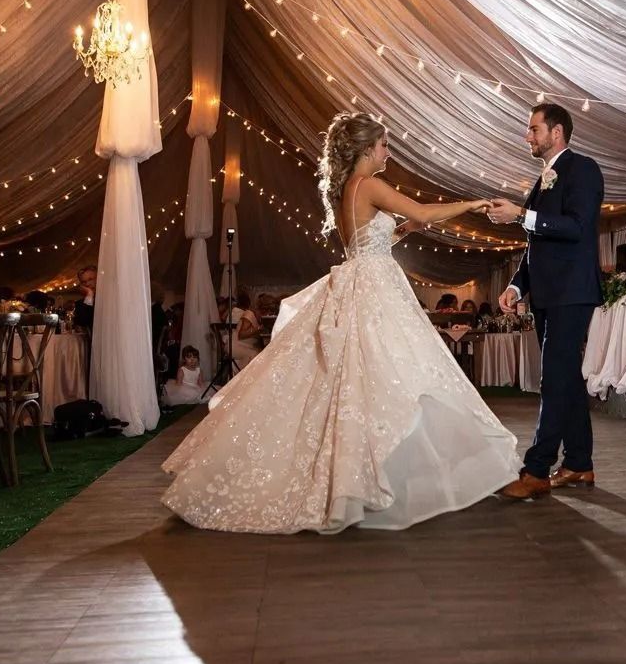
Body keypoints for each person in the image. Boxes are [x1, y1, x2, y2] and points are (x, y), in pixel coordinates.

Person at [161, 111, 519, 534]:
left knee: (365, 376)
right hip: (374, 285)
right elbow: (423, 212)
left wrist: (398, 231)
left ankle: (365, 474)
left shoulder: (350, 189)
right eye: (385, 144)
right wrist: (474, 203)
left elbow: (368, 239)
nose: (388, 150)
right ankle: (375, 477)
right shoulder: (369, 183)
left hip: (361, 278)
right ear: (368, 148)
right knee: (391, 373)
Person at [485, 102, 605, 500]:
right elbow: (536, 245)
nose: (528, 136)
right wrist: (517, 286)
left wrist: (522, 214)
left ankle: (536, 469)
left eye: (534, 129)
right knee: (566, 377)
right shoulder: (541, 181)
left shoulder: (583, 169)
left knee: (553, 377)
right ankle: (579, 463)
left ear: (556, 133)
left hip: (573, 292)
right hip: (549, 295)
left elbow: (576, 227)